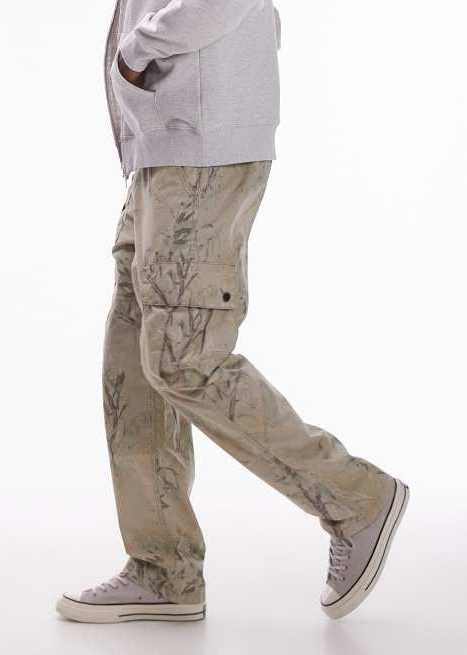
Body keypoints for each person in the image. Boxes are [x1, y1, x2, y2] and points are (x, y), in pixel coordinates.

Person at [56, 0, 409, 624]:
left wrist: (138, 52)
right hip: (165, 144)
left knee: (182, 358)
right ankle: (163, 571)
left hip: (201, 140)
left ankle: (356, 498)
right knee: (135, 366)